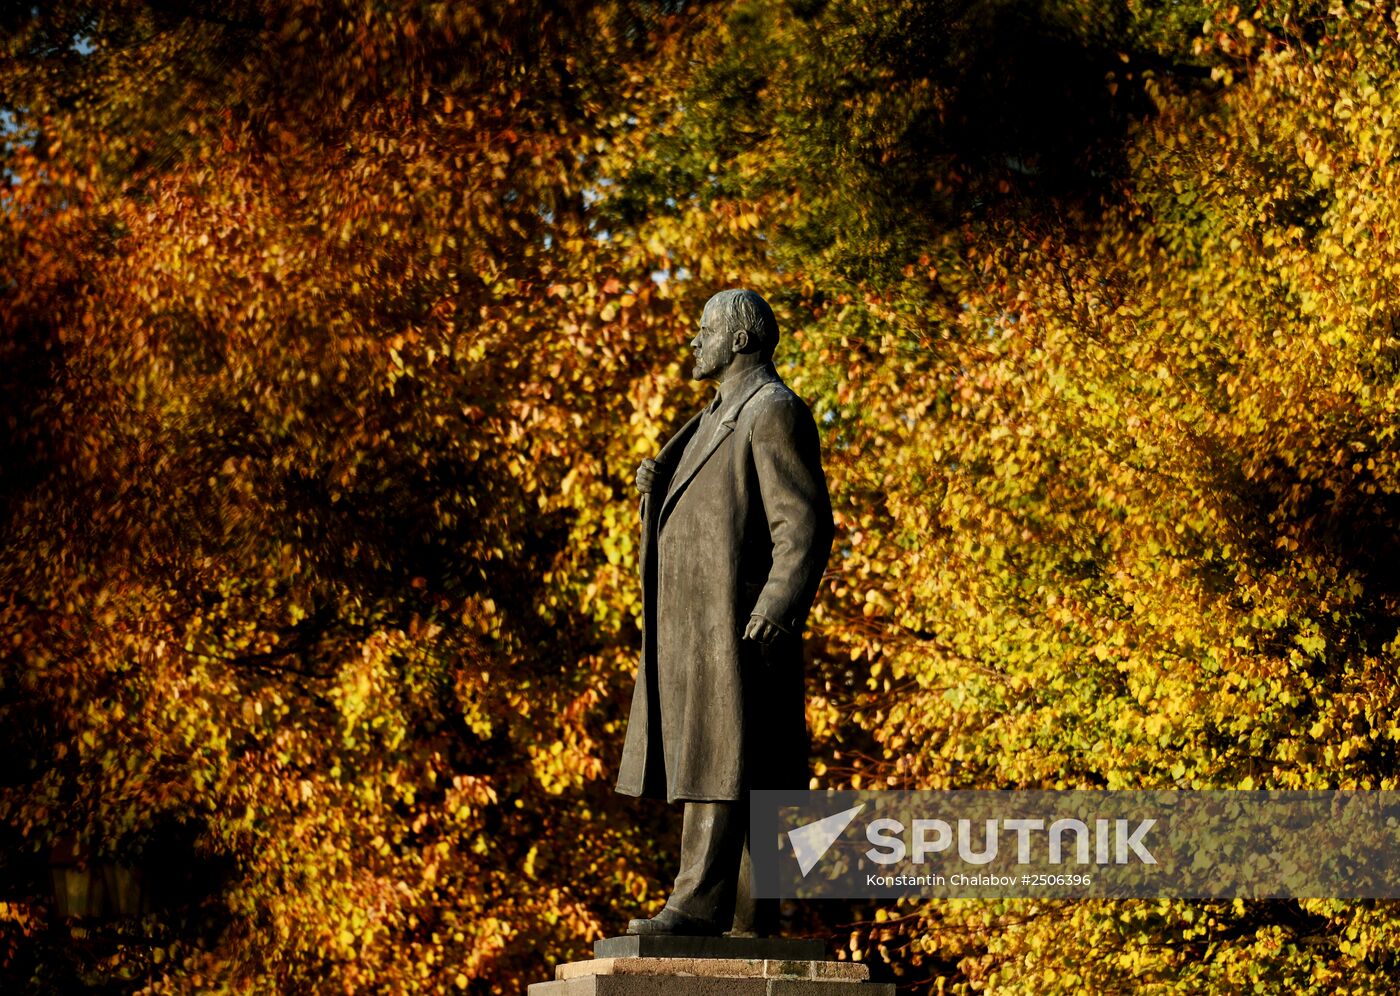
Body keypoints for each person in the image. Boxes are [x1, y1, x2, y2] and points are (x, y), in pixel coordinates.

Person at [615, 288, 834, 936]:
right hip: (698, 625)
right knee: (741, 768)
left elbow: (804, 524)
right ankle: (747, 916)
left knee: (723, 759)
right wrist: (655, 499)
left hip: (738, 625)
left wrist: (776, 606)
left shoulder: (771, 411)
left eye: (705, 329)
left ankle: (696, 900)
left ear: (741, 340)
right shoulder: (710, 418)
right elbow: (702, 512)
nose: (695, 339)